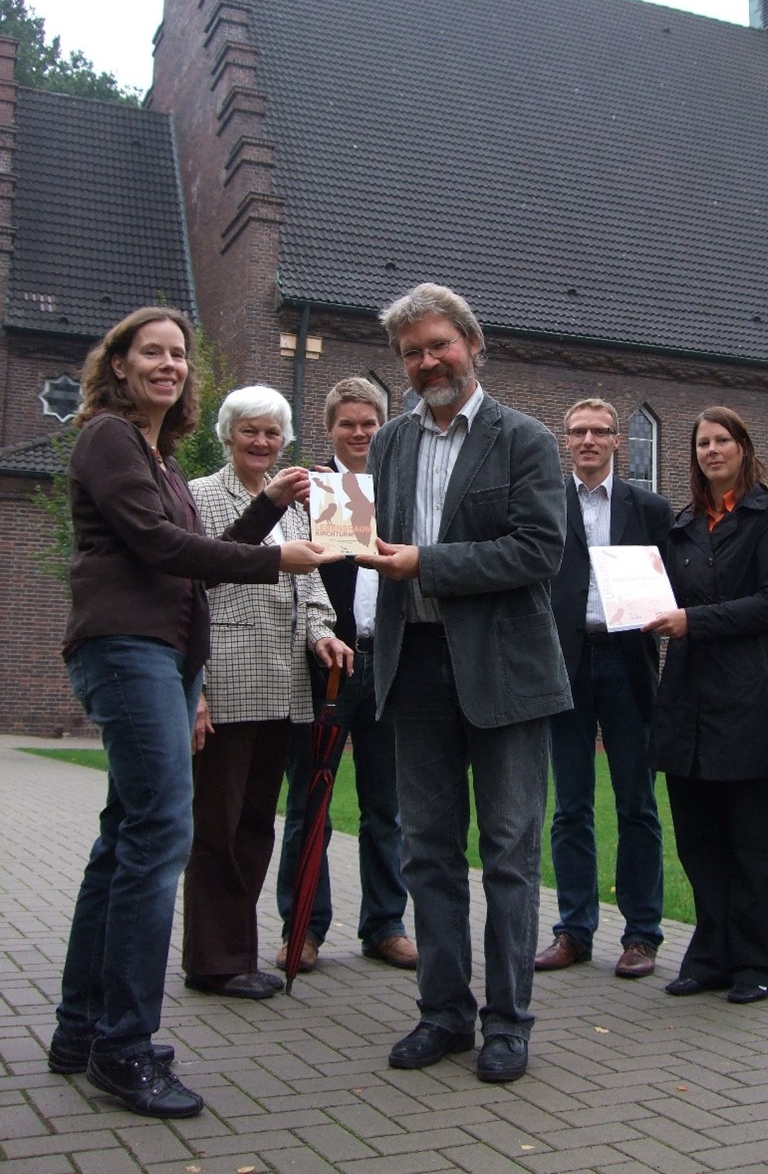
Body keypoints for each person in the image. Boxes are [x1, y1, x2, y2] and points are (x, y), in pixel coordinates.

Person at [49, 308, 329, 1120]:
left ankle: (81, 1027)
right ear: (121, 364)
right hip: (128, 648)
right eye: (152, 352)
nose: (168, 364)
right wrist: (280, 553)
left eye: (178, 353)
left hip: (166, 652)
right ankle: (125, 1045)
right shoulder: (106, 436)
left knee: (123, 835)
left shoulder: (160, 459)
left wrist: (272, 506)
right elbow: (162, 551)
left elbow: (202, 560)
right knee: (162, 833)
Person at [356, 282, 571, 1084]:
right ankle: (442, 1012)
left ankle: (508, 1022)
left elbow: (538, 550)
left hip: (505, 673)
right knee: (429, 853)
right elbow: (382, 542)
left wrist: (427, 563)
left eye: (438, 344)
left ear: (473, 345)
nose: (425, 361)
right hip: (413, 663)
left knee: (511, 852)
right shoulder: (390, 444)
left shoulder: (525, 440)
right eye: (411, 352)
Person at [182, 386, 349, 999]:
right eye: (250, 431)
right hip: (225, 681)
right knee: (217, 826)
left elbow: (310, 590)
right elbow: (192, 589)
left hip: (283, 686)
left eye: (272, 434)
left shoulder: (302, 505)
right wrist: (192, 688)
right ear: (229, 434)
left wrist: (323, 636)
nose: (261, 443)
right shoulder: (199, 495)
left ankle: (236, 954)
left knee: (256, 824)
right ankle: (212, 960)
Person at [645, 406, 768, 1004]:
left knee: (753, 842)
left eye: (722, 441)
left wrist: (691, 621)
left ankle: (759, 963)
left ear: (742, 447)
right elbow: (661, 598)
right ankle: (710, 956)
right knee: (699, 840)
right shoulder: (683, 528)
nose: (712, 451)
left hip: (749, 703)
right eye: (703, 443)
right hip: (687, 706)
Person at [275, 377, 416, 973]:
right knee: (312, 802)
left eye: (369, 423)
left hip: (388, 663)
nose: (359, 433)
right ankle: (303, 926)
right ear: (329, 429)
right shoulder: (310, 491)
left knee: (388, 805)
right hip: (326, 665)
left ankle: (385, 924)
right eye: (347, 424)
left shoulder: (402, 491)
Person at [535, 398, 671, 979]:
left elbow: (674, 586)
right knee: (570, 807)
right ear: (565, 441)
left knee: (637, 804)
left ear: (620, 441)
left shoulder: (650, 508)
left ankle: (642, 935)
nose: (588, 440)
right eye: (578, 432)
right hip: (563, 665)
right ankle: (574, 931)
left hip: (627, 663)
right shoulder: (543, 503)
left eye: (600, 432)